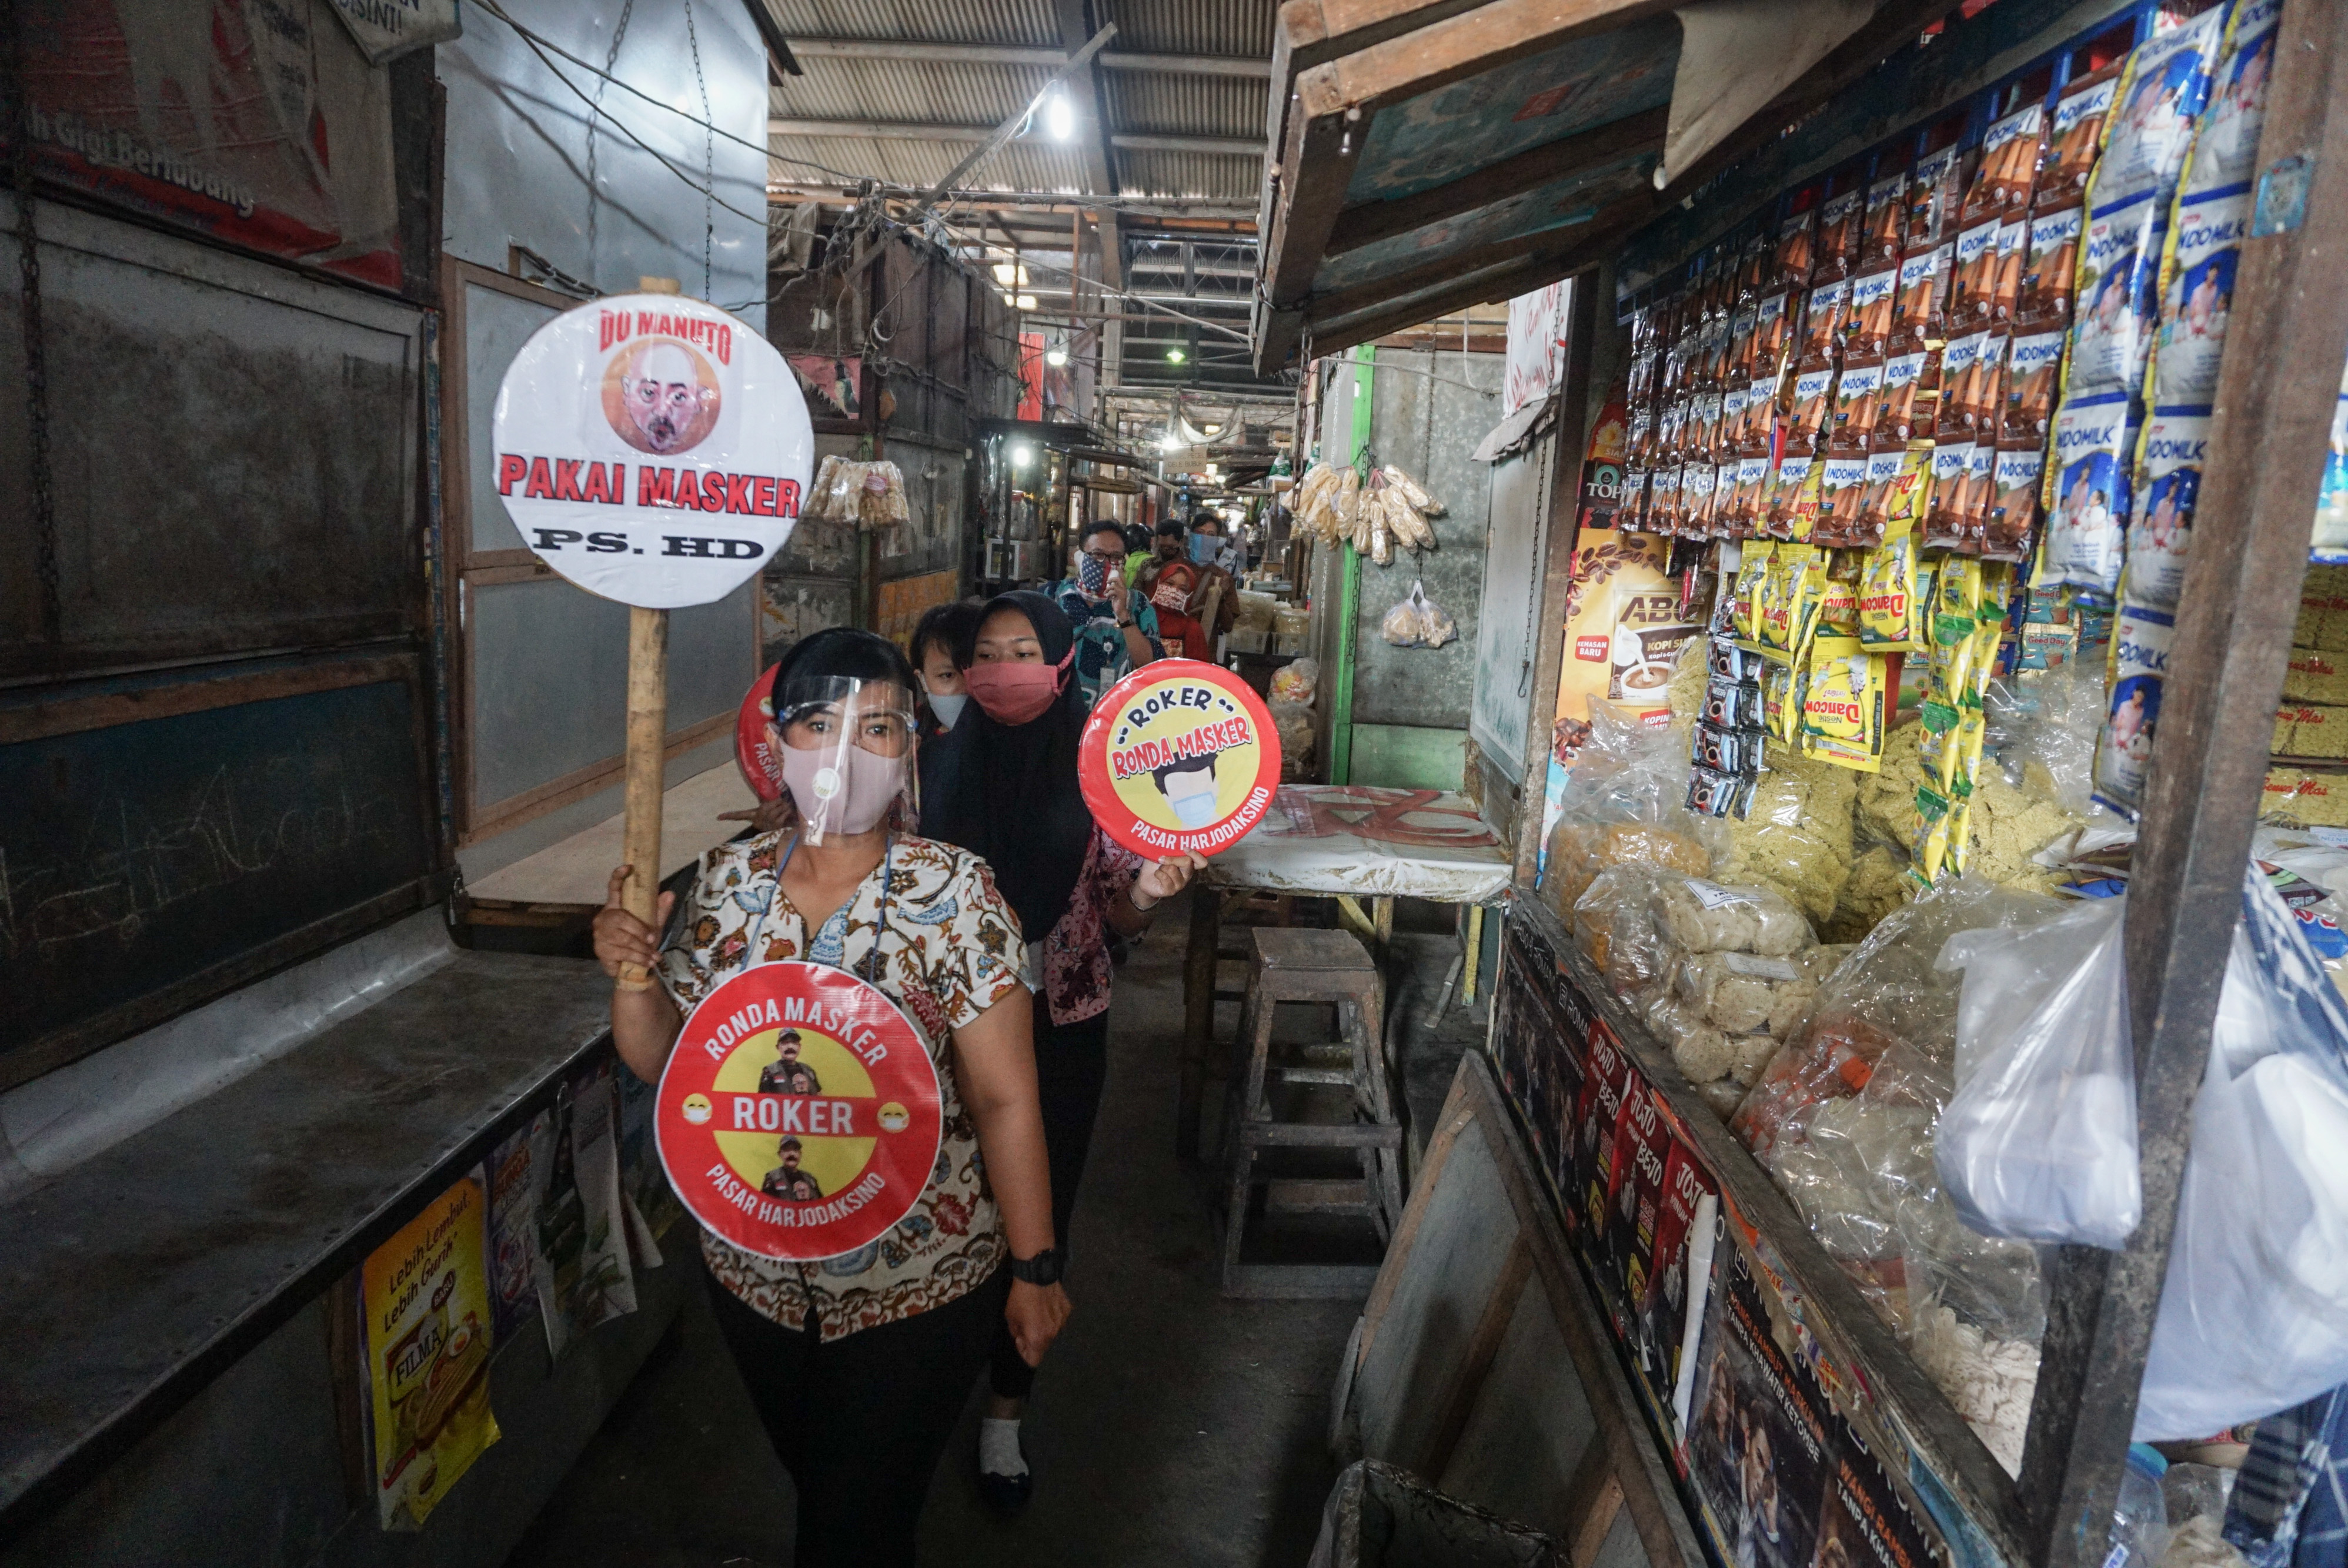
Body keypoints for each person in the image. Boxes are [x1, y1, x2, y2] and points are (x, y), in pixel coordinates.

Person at [592, 627, 1070, 1568]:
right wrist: (632, 972)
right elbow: (663, 1064)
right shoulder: (726, 885)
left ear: (912, 751)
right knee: (831, 1491)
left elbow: (1008, 1098)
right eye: (820, 721)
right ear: (776, 743)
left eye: (880, 728)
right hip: (754, 1278)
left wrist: (1036, 1267)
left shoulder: (957, 894)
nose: (845, 751)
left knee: (850, 1527)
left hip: (915, 1281)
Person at [922, 590, 1204, 1512]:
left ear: (1057, 662)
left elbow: (1118, 910)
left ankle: (1006, 1409)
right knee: (947, 1210)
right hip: (939, 1036)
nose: (1003, 669)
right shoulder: (926, 768)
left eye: (1023, 650)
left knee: (1039, 1218)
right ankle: (924, 1391)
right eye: (986, 654)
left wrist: (1153, 892)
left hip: (1062, 1024)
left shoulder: (1101, 771)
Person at [1052, 517, 1162, 710]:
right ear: (1079, 556)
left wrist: (1123, 614)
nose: (1106, 563)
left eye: (1116, 557)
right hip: (1060, 712)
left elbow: (1151, 665)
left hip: (1117, 715)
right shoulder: (1054, 597)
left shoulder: (1139, 605)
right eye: (1097, 554)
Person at [1134, 520, 1208, 660]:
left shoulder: (1190, 571)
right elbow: (1136, 592)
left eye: (1170, 547)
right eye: (1162, 547)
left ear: (1180, 543)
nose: (1173, 590)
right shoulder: (1148, 565)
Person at [909, 600, 983, 738]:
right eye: (947, 675)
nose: (966, 688)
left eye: (976, 672)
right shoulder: (912, 746)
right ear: (922, 680)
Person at [757, 1029, 820, 1094]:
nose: (790, 1046)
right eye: (785, 1043)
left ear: (799, 1047)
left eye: (794, 1043)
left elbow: (819, 1096)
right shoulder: (770, 1071)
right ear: (778, 1047)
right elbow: (762, 1100)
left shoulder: (808, 1071)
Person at [762, 1136, 824, 1201]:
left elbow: (820, 1205)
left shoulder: (810, 1180)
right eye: (787, 1150)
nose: (791, 1154)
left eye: (795, 1150)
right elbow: (764, 1204)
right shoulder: (773, 1178)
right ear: (780, 1154)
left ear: (800, 1154)